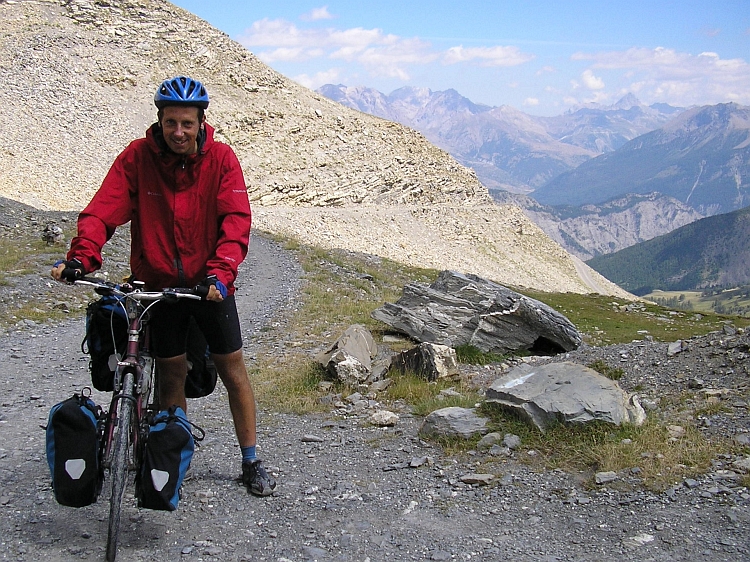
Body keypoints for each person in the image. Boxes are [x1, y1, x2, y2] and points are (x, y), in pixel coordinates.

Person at [51, 75, 276, 497]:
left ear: (200, 123)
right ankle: (172, 458)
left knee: (233, 370)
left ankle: (251, 460)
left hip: (209, 288)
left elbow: (235, 220)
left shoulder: (222, 159)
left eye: (186, 124)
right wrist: (82, 255)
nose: (178, 132)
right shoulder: (138, 157)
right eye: (171, 122)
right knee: (172, 375)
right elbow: (104, 210)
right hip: (157, 288)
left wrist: (221, 272)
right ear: (159, 120)